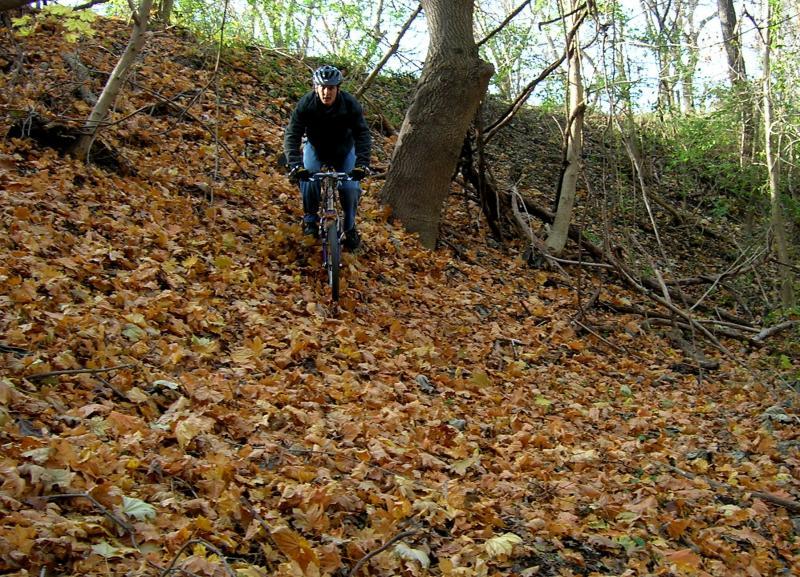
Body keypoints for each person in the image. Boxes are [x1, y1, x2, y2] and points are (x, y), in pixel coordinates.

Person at [284, 65, 372, 251]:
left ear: (338, 88)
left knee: (350, 188)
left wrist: (362, 164)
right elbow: (292, 134)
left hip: (344, 149)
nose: (326, 92)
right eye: (322, 87)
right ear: (315, 87)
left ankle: (349, 228)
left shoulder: (350, 104)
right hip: (316, 148)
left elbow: (362, 134)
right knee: (308, 177)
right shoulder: (306, 104)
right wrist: (295, 164)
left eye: (331, 88)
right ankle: (310, 221)